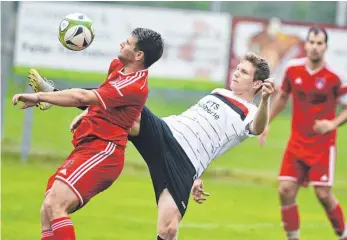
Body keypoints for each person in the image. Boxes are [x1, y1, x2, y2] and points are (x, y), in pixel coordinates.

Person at [27, 52, 275, 239]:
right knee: (125, 105)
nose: (236, 73)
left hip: (184, 164)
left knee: (168, 229)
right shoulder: (218, 92)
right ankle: (55, 95)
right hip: (167, 132)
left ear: (256, 84)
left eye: (243, 72)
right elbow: (198, 129)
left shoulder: (251, 112)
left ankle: (93, 107)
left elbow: (258, 127)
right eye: (238, 68)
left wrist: (265, 100)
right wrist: (97, 112)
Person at [12, 27, 164, 240]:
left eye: (128, 43)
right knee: (47, 209)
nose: (122, 44)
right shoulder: (118, 67)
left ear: (139, 55)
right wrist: (88, 115)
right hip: (88, 147)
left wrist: (40, 97)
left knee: (56, 204)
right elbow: (103, 101)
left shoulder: (134, 85)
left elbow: (82, 97)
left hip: (104, 151)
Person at [258, 26, 347, 240]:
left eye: (319, 43)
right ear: (305, 44)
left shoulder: (335, 76)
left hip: (323, 145)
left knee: (323, 194)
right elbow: (282, 98)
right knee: (285, 190)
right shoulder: (292, 69)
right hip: (297, 142)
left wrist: (332, 124)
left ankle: (343, 234)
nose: (315, 47)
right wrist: (266, 122)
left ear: (325, 47)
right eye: (312, 42)